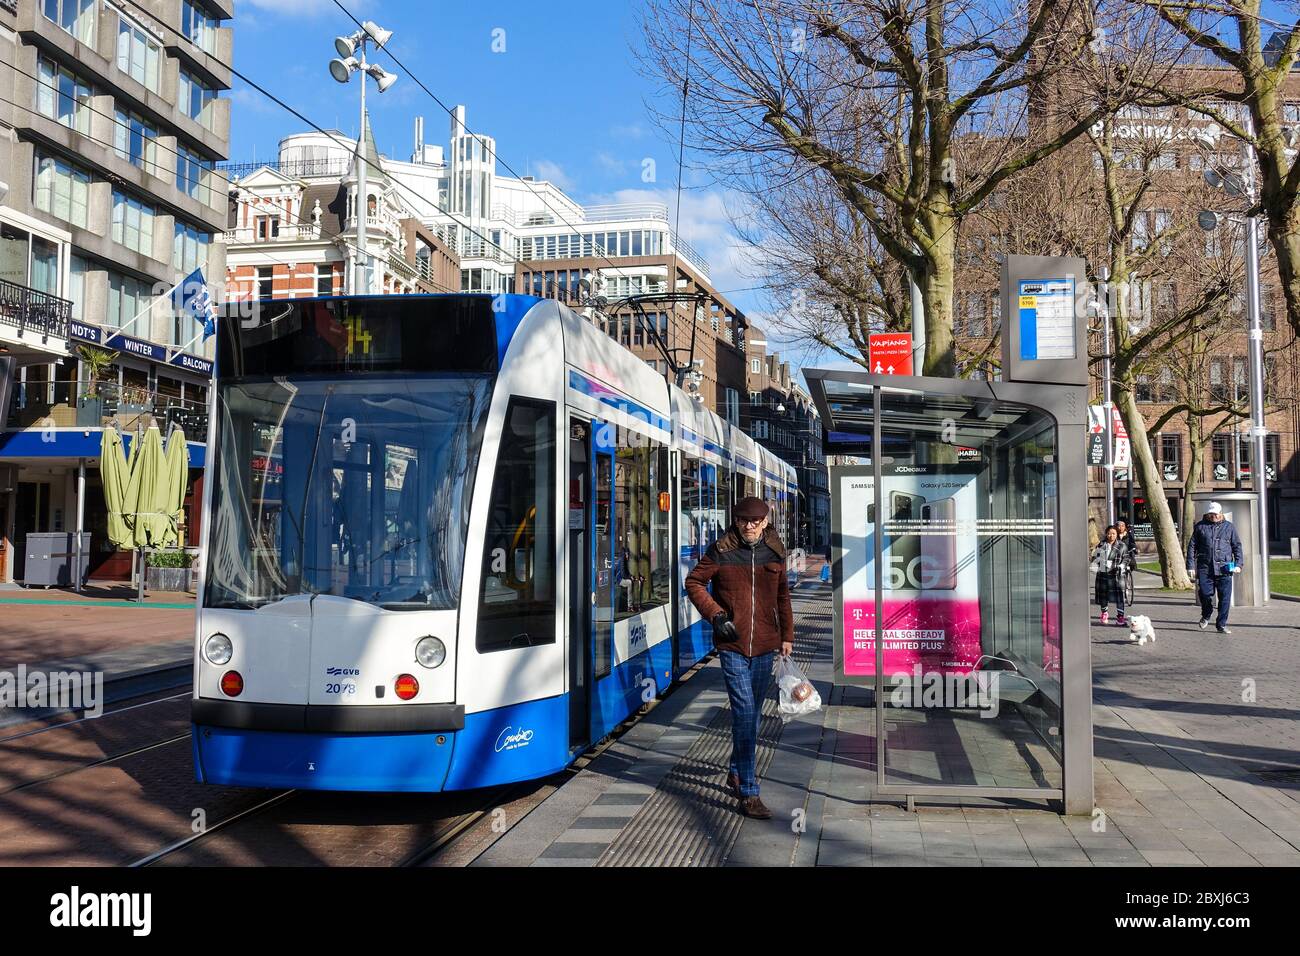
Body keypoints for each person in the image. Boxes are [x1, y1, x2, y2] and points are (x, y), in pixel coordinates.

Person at [685, 496, 794, 819]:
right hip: (731, 645)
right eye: (743, 521)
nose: (749, 526)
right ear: (736, 520)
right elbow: (694, 582)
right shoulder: (721, 550)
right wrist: (716, 615)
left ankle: (735, 769)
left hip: (764, 644)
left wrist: (787, 635)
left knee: (754, 715)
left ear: (765, 522)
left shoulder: (774, 551)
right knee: (745, 712)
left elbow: (783, 595)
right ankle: (748, 791)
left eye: (755, 522)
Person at [1185, 501, 1244, 635]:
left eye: (1216, 514)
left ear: (1221, 514)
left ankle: (1221, 624)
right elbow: (1192, 547)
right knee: (1205, 594)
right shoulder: (1200, 527)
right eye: (1211, 514)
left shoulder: (1229, 527)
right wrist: (1190, 566)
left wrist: (1239, 564)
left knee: (1225, 599)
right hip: (1205, 567)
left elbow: (1237, 546)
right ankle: (1206, 613)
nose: (1214, 517)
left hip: (1224, 568)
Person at [1091, 525, 1129, 626]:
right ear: (1106, 534)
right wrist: (1099, 563)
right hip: (1103, 574)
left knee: (1120, 596)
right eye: (1109, 533)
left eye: (1113, 534)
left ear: (1117, 534)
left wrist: (1121, 565)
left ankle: (1120, 617)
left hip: (1117, 574)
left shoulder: (1122, 545)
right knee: (1103, 595)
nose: (1111, 536)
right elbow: (1094, 557)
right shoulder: (1101, 545)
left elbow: (1126, 558)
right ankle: (1104, 613)